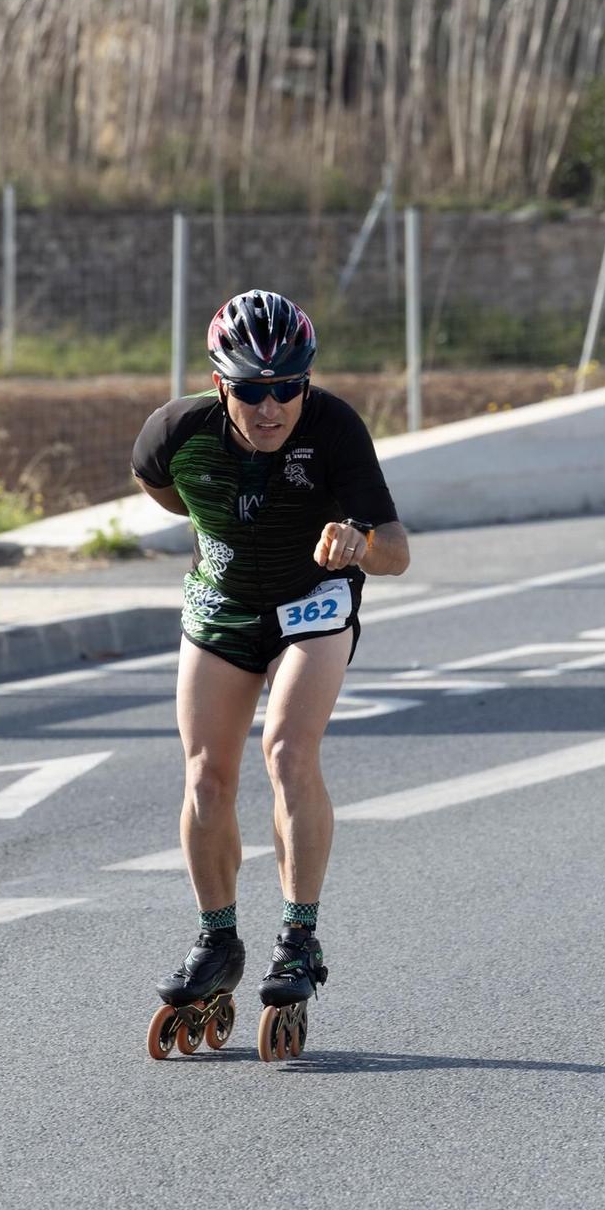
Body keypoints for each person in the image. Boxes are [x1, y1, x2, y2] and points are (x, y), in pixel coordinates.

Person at [131, 289, 409, 1047]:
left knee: (286, 751)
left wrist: (359, 548)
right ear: (220, 384)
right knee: (204, 776)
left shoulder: (333, 427)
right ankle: (217, 938)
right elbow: (160, 488)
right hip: (223, 605)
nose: (271, 406)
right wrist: (219, 536)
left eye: (288, 387)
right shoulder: (174, 431)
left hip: (311, 604)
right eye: (251, 390)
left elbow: (397, 552)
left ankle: (298, 935)